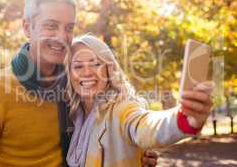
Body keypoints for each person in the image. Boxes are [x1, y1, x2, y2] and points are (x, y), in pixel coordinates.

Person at [0, 0, 157, 167]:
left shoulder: (77, 85)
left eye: (69, 28)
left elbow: (105, 127)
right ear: (27, 28)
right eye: (51, 26)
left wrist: (134, 152)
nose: (62, 36)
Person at [65, 34, 214, 167]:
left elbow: (145, 125)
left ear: (108, 69)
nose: (87, 72)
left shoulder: (121, 108)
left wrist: (181, 118)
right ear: (69, 74)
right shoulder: (72, 116)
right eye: (78, 66)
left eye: (96, 64)